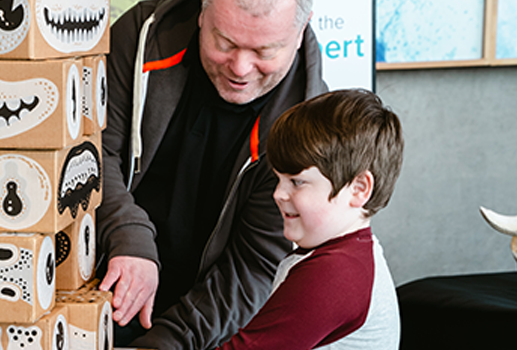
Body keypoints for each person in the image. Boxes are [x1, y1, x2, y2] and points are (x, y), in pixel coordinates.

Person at [98, 0, 327, 346]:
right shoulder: (143, 35)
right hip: (102, 281)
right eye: (225, 43)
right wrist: (127, 235)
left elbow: (253, 268)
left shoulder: (309, 130)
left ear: (301, 31)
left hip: (208, 325)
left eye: (265, 52)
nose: (240, 68)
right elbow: (90, 152)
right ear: (203, 12)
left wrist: (166, 343)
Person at [216, 89, 402, 349]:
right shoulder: (348, 256)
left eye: (297, 182)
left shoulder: (334, 274)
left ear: (359, 188)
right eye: (278, 180)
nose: (278, 194)